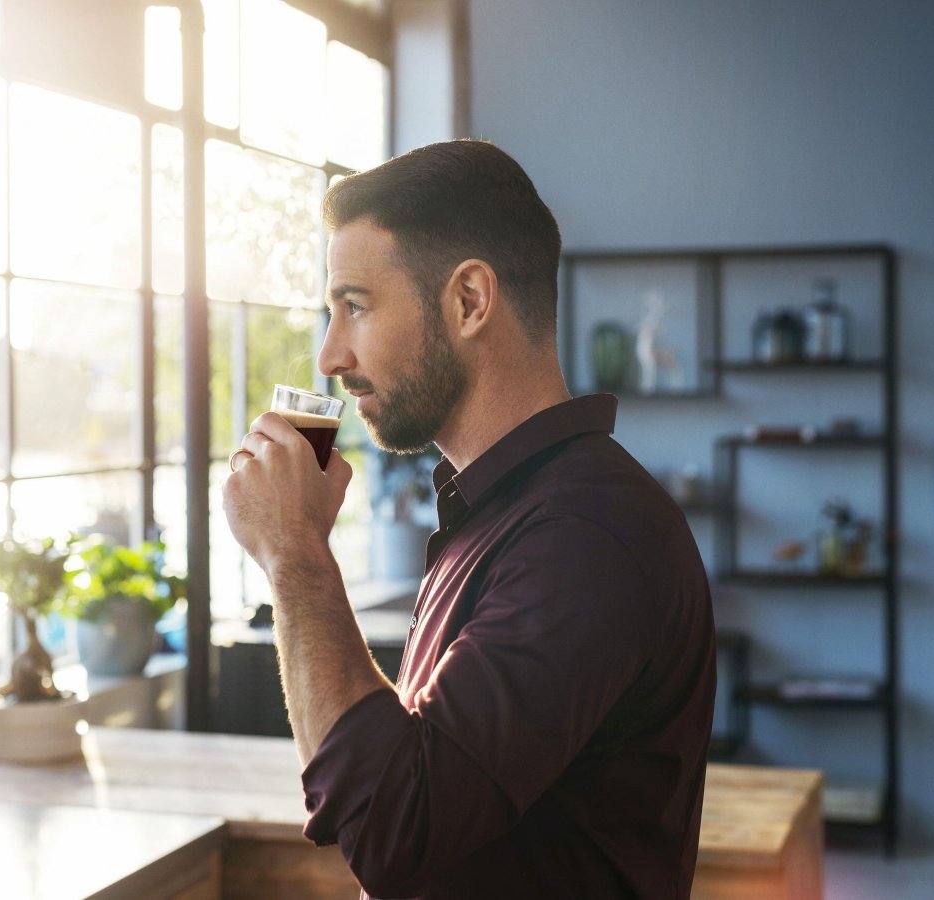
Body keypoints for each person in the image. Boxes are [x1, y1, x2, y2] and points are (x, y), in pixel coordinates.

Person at [223, 139, 716, 899]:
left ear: (469, 301)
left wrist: (294, 554)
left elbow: (397, 825)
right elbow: (414, 773)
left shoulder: (587, 537)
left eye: (354, 306)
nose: (329, 354)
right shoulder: (504, 510)